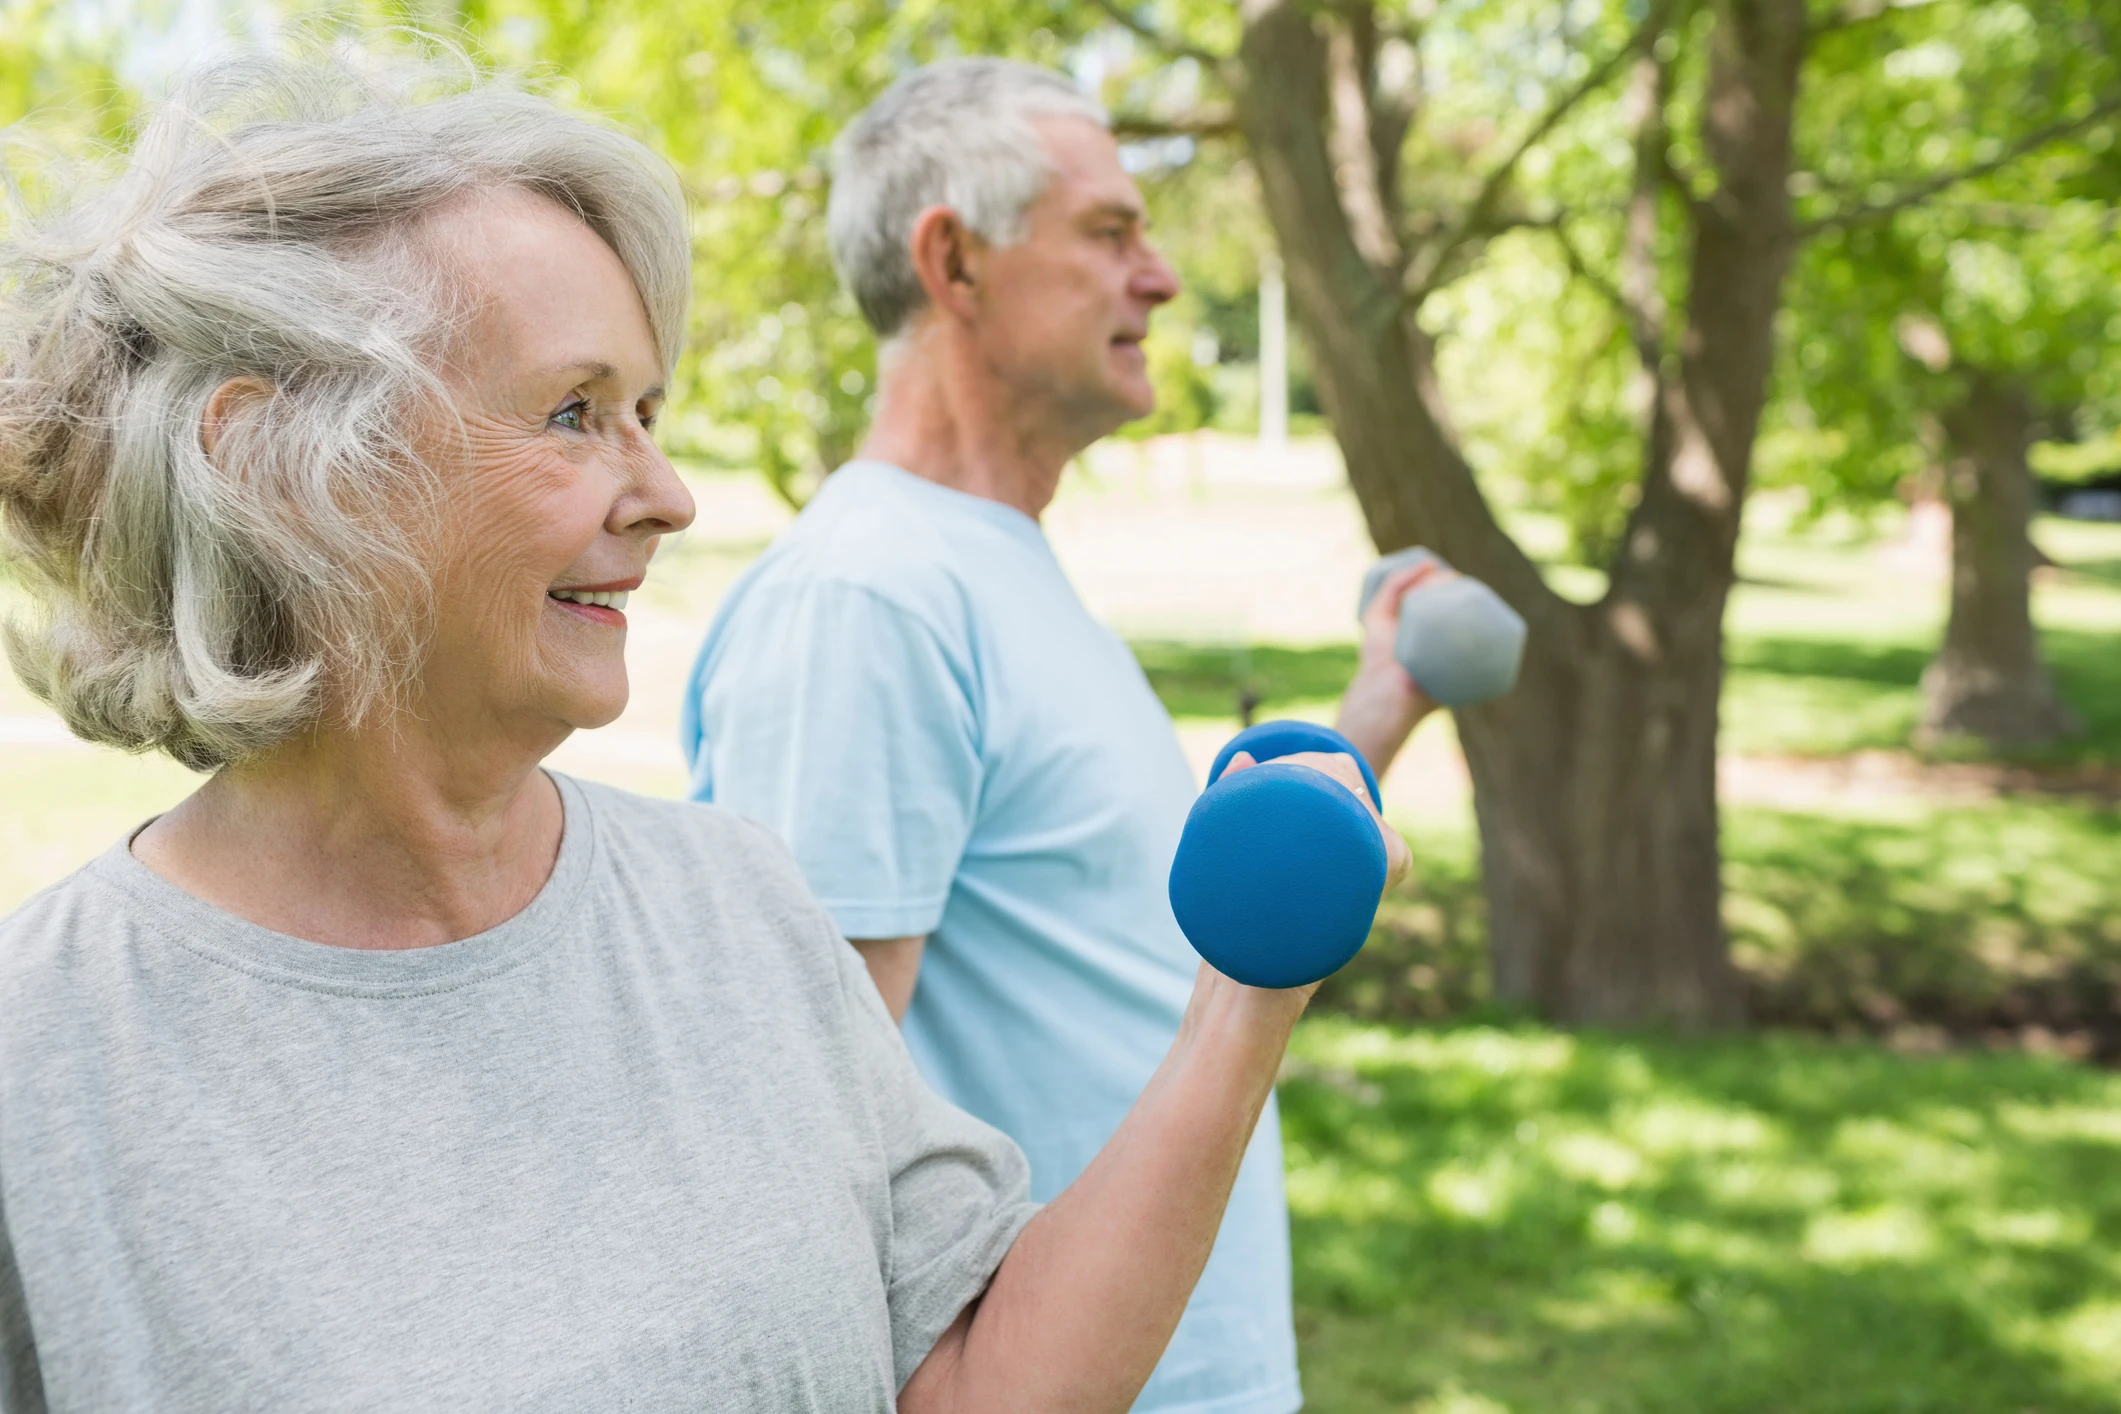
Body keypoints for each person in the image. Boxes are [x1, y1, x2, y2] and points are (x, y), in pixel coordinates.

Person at [0, 53, 1408, 1412]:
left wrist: (1249, 989)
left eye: (650, 414)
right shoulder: (47, 1060)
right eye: (575, 414)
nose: (669, 496)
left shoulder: (737, 903)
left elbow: (969, 1385)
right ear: (280, 475)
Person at [681, 58, 1445, 1414]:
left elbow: (1139, 941)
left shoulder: (992, 564)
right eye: (1111, 232)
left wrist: (1372, 715)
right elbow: (810, 1163)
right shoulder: (869, 599)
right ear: (954, 263)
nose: (1159, 276)